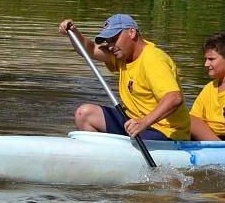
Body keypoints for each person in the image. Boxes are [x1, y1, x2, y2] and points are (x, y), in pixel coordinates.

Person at [58, 14, 191, 141]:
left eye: (114, 39)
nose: (110, 46)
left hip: (165, 132)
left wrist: (143, 122)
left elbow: (174, 98)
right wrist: (73, 32)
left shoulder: (153, 60)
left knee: (135, 135)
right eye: (108, 41)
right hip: (132, 122)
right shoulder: (121, 55)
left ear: (132, 33)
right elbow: (90, 49)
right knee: (84, 114)